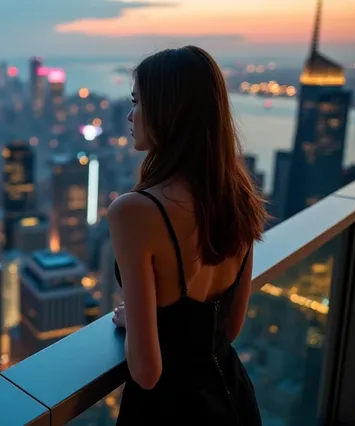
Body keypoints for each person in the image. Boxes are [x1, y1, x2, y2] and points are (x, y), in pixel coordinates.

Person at [108, 46, 267, 425]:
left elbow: (147, 373)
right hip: (233, 399)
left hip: (170, 414)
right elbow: (230, 327)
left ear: (169, 112)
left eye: (137, 102)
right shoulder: (237, 195)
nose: (131, 115)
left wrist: (139, 324)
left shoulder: (135, 211)